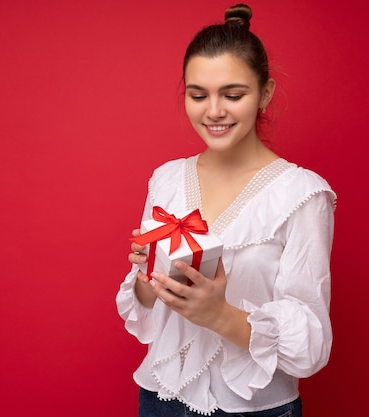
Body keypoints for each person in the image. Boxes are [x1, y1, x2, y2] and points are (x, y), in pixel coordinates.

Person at [116, 4, 336, 417]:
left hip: (253, 407)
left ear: (265, 93)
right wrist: (149, 276)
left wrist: (219, 315)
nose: (213, 111)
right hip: (161, 398)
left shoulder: (303, 194)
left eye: (233, 95)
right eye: (197, 95)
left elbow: (311, 346)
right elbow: (145, 307)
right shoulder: (166, 179)